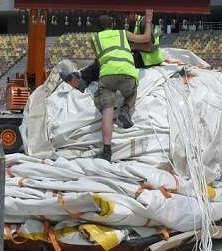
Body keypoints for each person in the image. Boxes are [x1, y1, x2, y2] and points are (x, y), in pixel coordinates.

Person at [91, 10, 152, 162]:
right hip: (127, 72)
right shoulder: (122, 33)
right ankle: (125, 109)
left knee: (107, 109)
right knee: (132, 92)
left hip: (107, 74)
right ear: (112, 24)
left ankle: (106, 151)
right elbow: (145, 38)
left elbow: (98, 60)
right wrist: (149, 21)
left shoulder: (95, 38)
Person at [64, 11, 163, 90]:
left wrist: (129, 47)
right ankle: (83, 76)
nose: (125, 20)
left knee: (113, 59)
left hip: (148, 59)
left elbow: (148, 47)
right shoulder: (134, 24)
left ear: (132, 13)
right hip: (141, 56)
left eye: (125, 17)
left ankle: (83, 78)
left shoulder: (143, 23)